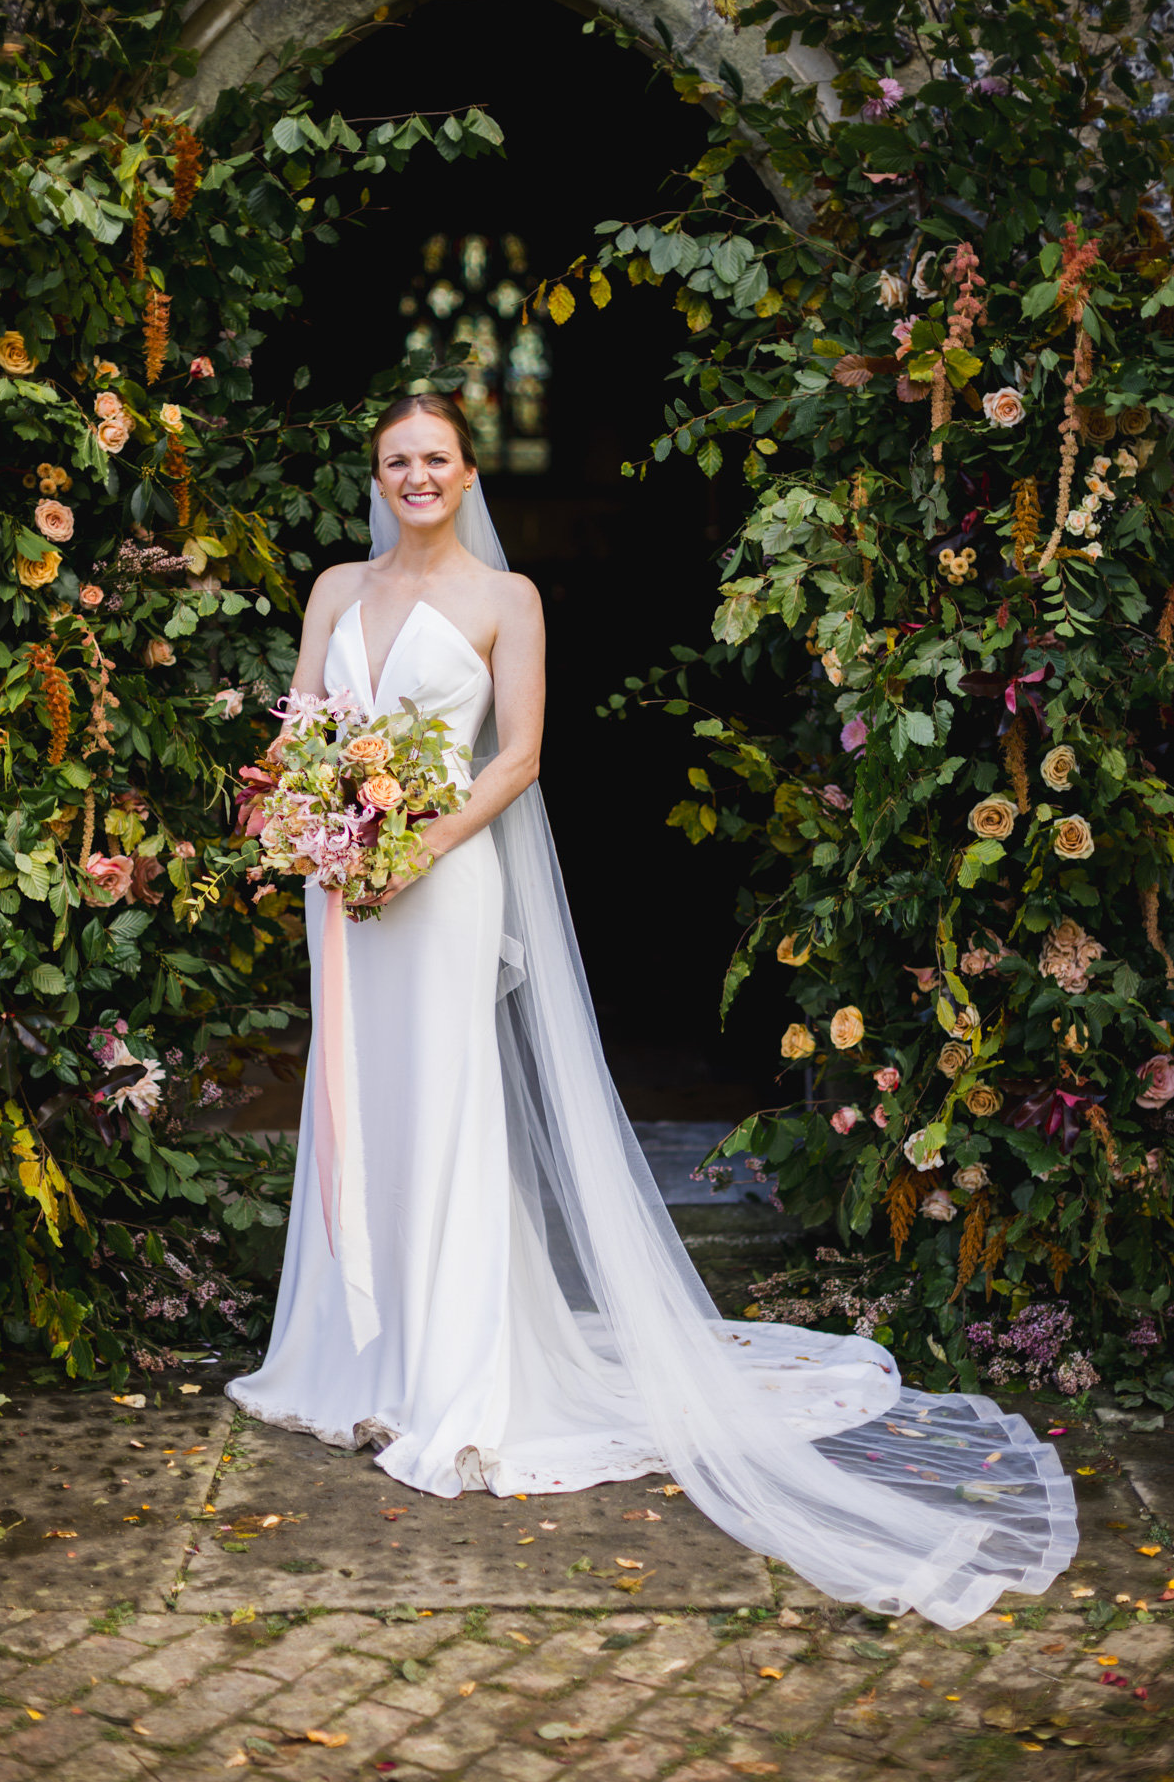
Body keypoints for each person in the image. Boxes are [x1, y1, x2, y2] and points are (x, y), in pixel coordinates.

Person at [228, 393, 1076, 1629]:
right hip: (343, 888)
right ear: (378, 475)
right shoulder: (332, 589)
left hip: (440, 879)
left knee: (452, 1113)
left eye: (435, 461)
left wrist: (414, 847)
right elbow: (303, 724)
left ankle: (450, 1385)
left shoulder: (502, 601)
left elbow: (516, 756)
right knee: (362, 1108)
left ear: (467, 478)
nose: (415, 476)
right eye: (395, 461)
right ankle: (353, 1355)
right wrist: (309, 827)